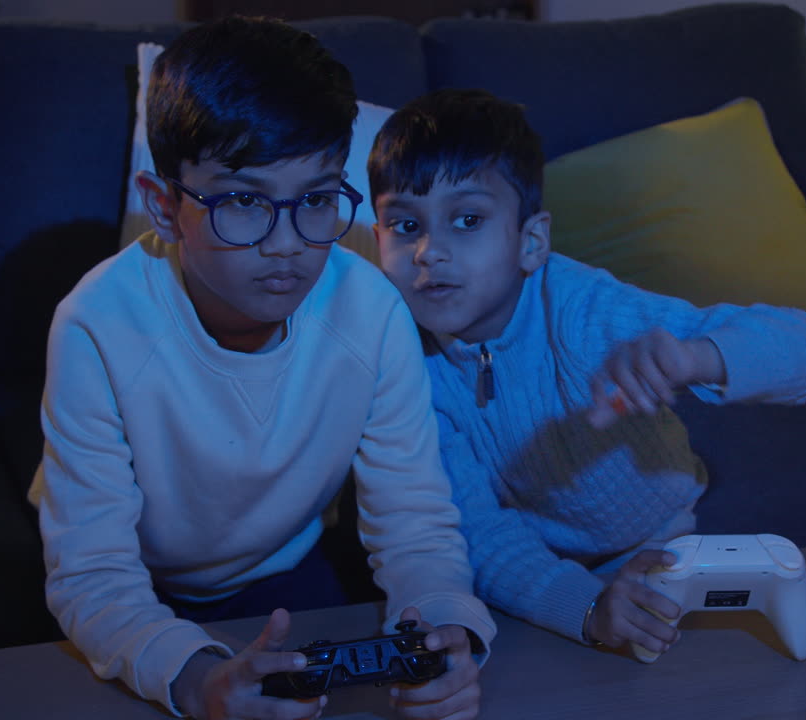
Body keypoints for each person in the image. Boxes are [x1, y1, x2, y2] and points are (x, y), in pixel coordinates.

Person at [27, 18, 494, 720]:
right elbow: (92, 574)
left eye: (314, 199)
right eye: (243, 201)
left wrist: (448, 627)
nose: (286, 246)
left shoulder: (370, 311)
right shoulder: (97, 325)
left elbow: (416, 526)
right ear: (163, 206)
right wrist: (194, 679)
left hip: (285, 573)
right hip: (132, 586)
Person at [367, 88, 806, 660]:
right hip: (546, 561)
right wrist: (588, 610)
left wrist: (698, 357)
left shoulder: (585, 311)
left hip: (675, 529)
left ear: (531, 241)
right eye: (405, 225)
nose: (428, 252)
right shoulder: (401, 363)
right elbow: (478, 534)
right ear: (377, 242)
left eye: (467, 220)